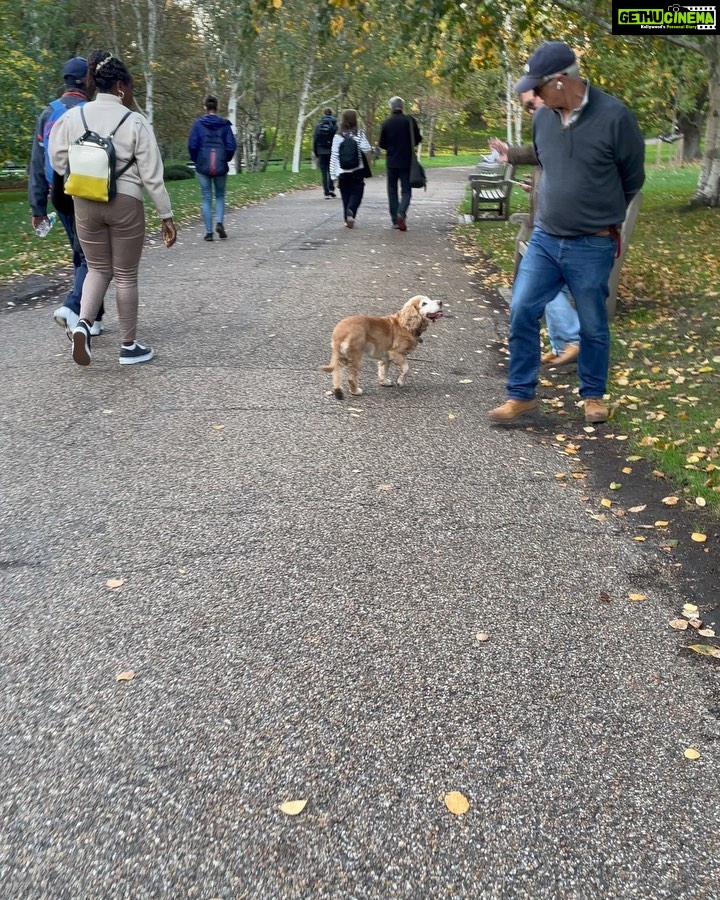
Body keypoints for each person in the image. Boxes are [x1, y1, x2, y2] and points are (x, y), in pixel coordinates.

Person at [487, 41, 645, 425]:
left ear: (560, 81)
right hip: (545, 238)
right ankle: (521, 395)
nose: (533, 96)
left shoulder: (615, 117)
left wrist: (600, 216)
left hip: (592, 242)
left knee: (592, 324)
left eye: (537, 88)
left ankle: (593, 395)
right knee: (522, 309)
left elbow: (632, 178)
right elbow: (547, 159)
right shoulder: (543, 119)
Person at [49, 50, 177, 367]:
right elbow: (152, 176)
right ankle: (128, 346)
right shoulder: (135, 121)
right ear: (120, 86)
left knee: (97, 269)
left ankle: (83, 326)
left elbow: (57, 160)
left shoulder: (72, 117)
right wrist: (166, 216)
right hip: (126, 202)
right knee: (125, 276)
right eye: (130, 88)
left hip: (85, 203)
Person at [489, 91, 580, 368]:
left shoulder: (570, 121)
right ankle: (561, 344)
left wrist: (513, 153)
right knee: (551, 288)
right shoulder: (555, 122)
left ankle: (575, 340)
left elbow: (568, 169)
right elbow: (545, 157)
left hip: (567, 224)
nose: (530, 112)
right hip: (553, 223)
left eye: (531, 105)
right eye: (526, 108)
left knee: (543, 286)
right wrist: (530, 178)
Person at [28, 56, 105, 338]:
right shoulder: (92, 111)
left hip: (58, 194)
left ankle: (94, 318)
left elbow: (37, 164)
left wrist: (37, 207)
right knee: (94, 258)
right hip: (90, 192)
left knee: (81, 251)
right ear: (86, 80)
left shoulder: (48, 113)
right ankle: (73, 308)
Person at [188, 96, 236, 241]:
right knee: (220, 196)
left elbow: (192, 145)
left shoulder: (198, 124)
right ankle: (220, 222)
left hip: (203, 165)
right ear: (217, 107)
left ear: (205, 107)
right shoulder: (225, 125)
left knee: (206, 198)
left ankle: (209, 233)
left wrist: (197, 160)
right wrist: (225, 159)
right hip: (220, 165)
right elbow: (231, 146)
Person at [377, 96, 422, 231]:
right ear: (402, 107)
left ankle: (395, 220)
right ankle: (401, 213)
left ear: (391, 107)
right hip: (407, 161)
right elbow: (418, 139)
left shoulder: (386, 123)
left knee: (392, 191)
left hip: (391, 162)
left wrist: (391, 147)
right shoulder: (410, 121)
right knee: (406, 190)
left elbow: (382, 144)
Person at [329, 109, 372, 229]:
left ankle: (346, 218)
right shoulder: (359, 134)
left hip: (342, 171)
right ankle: (351, 211)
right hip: (357, 169)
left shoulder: (338, 136)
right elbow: (366, 148)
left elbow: (334, 155)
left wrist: (332, 174)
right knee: (357, 192)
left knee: (345, 194)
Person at [312, 108, 337, 198]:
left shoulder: (318, 125)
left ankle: (326, 192)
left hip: (321, 151)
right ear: (331, 113)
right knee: (331, 171)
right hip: (332, 151)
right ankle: (331, 188)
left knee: (323, 171)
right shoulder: (334, 125)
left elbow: (315, 140)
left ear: (324, 113)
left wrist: (316, 152)